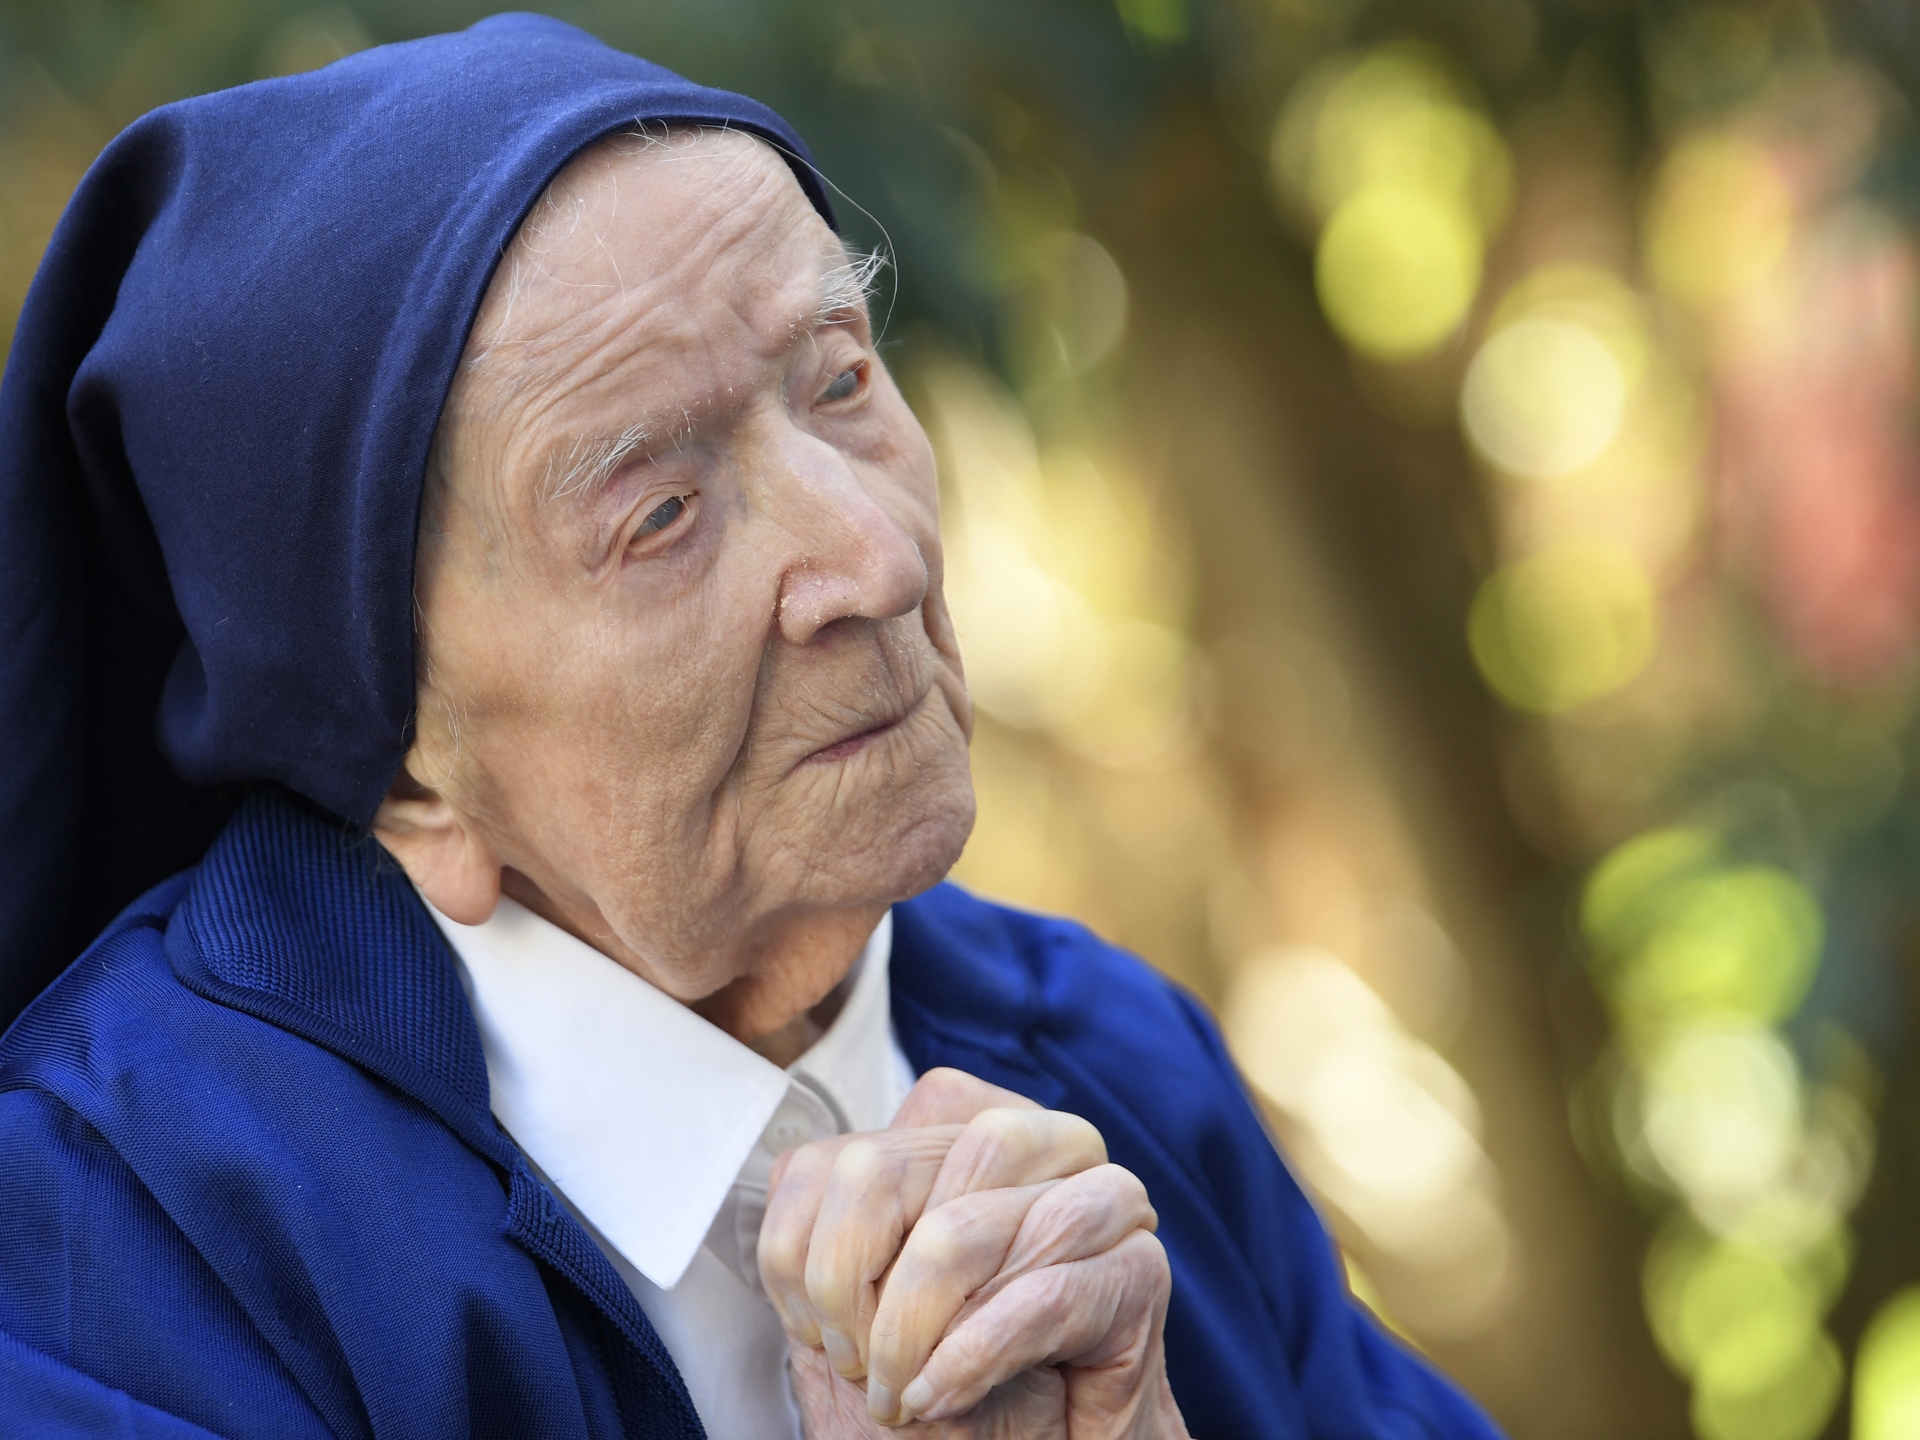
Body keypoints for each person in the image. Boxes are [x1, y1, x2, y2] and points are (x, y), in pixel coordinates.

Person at [0, 15, 1505, 1439]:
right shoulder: (115, 1256)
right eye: (660, 514)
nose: (878, 559)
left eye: (842, 380)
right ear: (404, 772)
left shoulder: (1102, 1058)